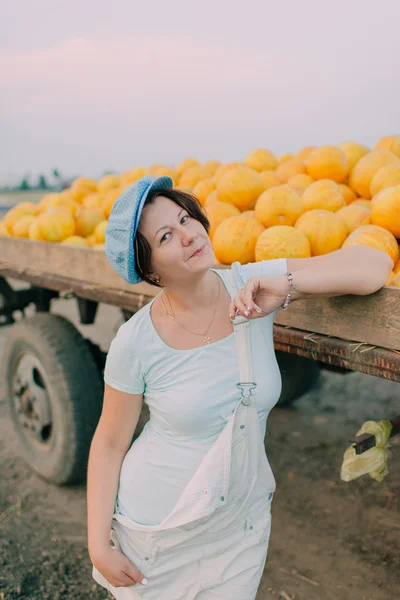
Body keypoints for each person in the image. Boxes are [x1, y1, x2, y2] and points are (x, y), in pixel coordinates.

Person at [87, 174, 392, 599]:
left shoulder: (251, 283)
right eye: (166, 235)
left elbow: (373, 266)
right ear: (148, 267)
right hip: (158, 529)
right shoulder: (136, 341)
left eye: (186, 217)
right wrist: (98, 544)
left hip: (238, 521)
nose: (190, 234)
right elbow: (109, 443)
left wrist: (285, 288)